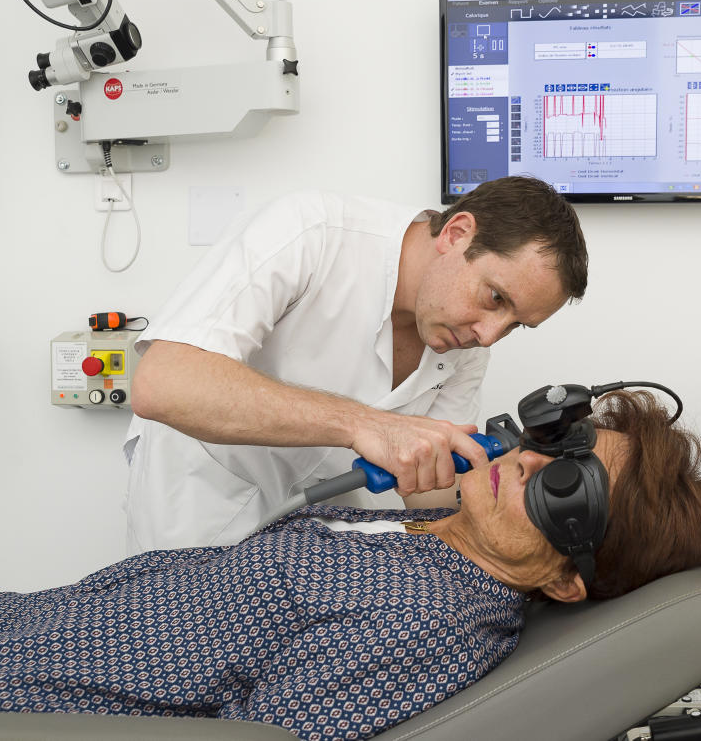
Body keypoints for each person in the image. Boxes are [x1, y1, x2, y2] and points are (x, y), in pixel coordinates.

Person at [0, 391, 701, 741]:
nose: (536, 463)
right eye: (567, 445)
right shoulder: (441, 529)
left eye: (570, 488)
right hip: (11, 622)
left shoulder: (431, 621)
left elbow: (253, 739)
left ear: (566, 579)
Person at [123, 177, 590, 552]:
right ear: (457, 233)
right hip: (198, 500)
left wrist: (508, 499)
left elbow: (425, 494)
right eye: (495, 298)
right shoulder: (312, 232)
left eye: (515, 325)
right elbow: (164, 382)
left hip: (316, 532)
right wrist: (362, 425)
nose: (488, 335)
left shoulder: (466, 346)